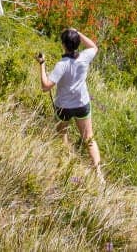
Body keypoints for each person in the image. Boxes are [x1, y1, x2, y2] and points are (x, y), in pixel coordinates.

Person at [38, 28, 103, 182]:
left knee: (62, 135)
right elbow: (94, 47)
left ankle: (69, 165)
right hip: (82, 103)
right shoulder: (85, 57)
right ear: (77, 43)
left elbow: (46, 86)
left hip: (64, 107)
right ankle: (99, 174)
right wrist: (77, 32)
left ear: (63, 45)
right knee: (89, 138)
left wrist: (42, 64)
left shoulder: (62, 64)